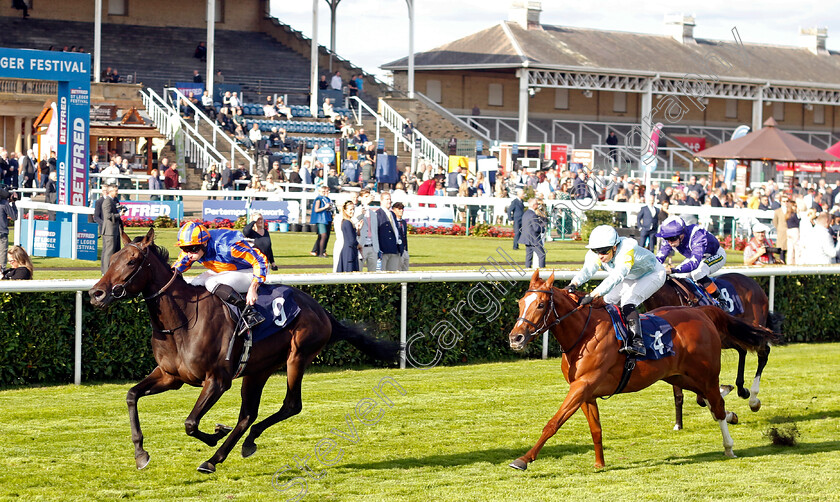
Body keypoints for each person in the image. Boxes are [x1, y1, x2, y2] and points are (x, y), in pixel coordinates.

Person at [567, 225, 667, 357]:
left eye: (603, 251)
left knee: (628, 301)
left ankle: (638, 343)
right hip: (631, 276)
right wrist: (573, 284)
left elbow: (617, 276)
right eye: (596, 251)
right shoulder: (599, 252)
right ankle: (614, 337)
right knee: (607, 301)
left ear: (615, 247)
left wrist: (592, 295)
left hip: (653, 274)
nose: (600, 256)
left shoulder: (627, 249)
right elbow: (587, 271)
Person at [172, 221, 267, 331]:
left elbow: (260, 260)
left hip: (250, 270)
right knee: (195, 283)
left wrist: (253, 287)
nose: (188, 254)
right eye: (185, 249)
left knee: (211, 283)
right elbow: (174, 271)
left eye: (192, 249)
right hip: (224, 270)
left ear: (204, 244)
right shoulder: (193, 248)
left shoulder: (227, 247)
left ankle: (249, 312)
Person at [655, 215, 726, 303]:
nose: (669, 242)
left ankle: (721, 300)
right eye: (666, 238)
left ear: (681, 235)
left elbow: (694, 263)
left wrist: (672, 269)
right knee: (678, 277)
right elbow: (659, 258)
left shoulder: (698, 235)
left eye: (672, 239)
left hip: (715, 255)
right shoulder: (671, 237)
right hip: (695, 257)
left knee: (698, 273)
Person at [100, 185, 123, 274]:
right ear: (110, 191)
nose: (117, 192)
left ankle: (111, 271)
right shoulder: (107, 201)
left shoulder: (113, 201)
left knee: (115, 252)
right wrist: (119, 214)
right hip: (110, 231)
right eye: (115, 191)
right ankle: (105, 272)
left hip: (114, 230)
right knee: (109, 252)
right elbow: (108, 216)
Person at [333, 200, 361, 273]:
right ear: (345, 210)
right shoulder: (347, 222)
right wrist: (358, 244)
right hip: (349, 252)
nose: (352, 211)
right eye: (350, 210)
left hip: (349, 251)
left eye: (353, 209)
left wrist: (358, 230)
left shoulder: (348, 221)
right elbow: (351, 240)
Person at [355, 188, 380, 271]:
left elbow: (375, 231)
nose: (367, 198)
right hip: (361, 246)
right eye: (365, 196)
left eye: (368, 196)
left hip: (373, 247)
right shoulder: (357, 210)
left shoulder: (373, 213)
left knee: (373, 273)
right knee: (358, 271)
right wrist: (365, 204)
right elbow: (357, 219)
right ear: (360, 198)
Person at [376, 192, 402, 271]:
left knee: (393, 273)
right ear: (381, 201)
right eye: (386, 199)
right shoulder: (378, 214)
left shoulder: (392, 214)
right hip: (383, 249)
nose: (389, 201)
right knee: (383, 273)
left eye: (390, 199)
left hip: (394, 248)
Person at [520, 198, 547, 268]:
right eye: (537, 204)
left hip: (526, 238)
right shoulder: (533, 215)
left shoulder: (525, 213)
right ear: (534, 205)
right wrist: (543, 228)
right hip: (534, 238)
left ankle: (527, 270)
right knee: (542, 254)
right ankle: (542, 271)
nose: (538, 206)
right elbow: (536, 228)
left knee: (529, 256)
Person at [310, 184, 333, 258]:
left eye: (327, 191)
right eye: (324, 191)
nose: (326, 192)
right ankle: (320, 253)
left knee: (323, 236)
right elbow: (316, 210)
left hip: (327, 218)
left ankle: (318, 251)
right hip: (321, 219)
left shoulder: (328, 199)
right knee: (323, 236)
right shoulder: (319, 199)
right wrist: (325, 207)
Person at [0, 188, 18, 268]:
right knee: (3, 253)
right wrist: (13, 203)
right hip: (2, 232)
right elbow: (14, 217)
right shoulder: (4, 203)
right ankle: (2, 270)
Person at [392, 201, 409, 271]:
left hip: (405, 249)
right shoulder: (392, 221)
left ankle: (405, 282)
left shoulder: (403, 222)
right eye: (399, 209)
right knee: (398, 268)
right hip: (397, 250)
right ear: (394, 210)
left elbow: (405, 236)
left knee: (405, 268)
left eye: (402, 209)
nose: (401, 211)